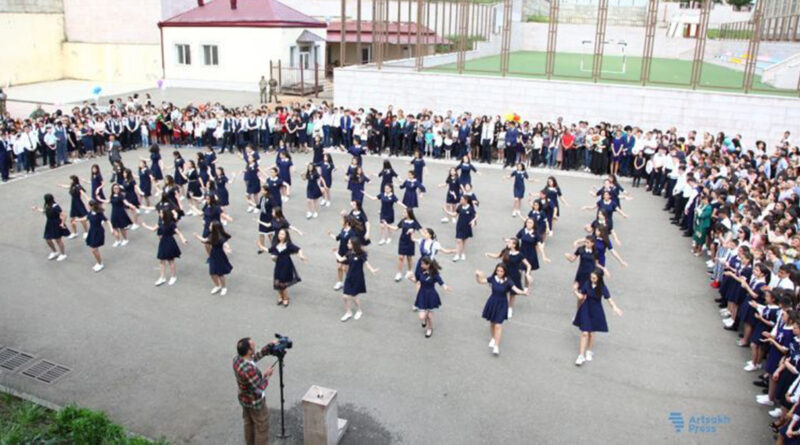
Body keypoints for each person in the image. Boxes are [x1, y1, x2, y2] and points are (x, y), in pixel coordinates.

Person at [572, 268, 623, 366]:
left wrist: (615, 307)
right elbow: (581, 297)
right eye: (591, 277)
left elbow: (609, 299)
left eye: (594, 278)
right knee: (585, 333)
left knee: (591, 333)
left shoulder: (602, 287)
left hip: (596, 311)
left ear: (599, 278)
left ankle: (589, 351)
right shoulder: (587, 283)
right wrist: (575, 291)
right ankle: (581, 356)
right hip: (586, 309)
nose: (592, 279)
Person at [476, 264, 528, 356]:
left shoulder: (508, 281)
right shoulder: (493, 278)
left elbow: (516, 289)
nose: (499, 273)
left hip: (502, 304)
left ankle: (496, 346)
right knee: (492, 322)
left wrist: (524, 292)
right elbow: (481, 281)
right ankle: (493, 338)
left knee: (498, 325)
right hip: (492, 302)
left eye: (501, 271)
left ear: (504, 272)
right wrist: (477, 276)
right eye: (498, 271)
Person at [233, 337, 275, 445]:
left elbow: (253, 358)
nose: (255, 346)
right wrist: (267, 375)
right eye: (253, 346)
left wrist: (267, 348)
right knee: (262, 427)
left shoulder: (237, 359)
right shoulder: (248, 370)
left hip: (244, 399)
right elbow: (259, 388)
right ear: (248, 351)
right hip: (255, 402)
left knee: (249, 423)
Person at [260, 227, 307, 307]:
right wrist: (261, 246)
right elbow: (269, 250)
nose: (280, 235)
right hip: (278, 265)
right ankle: (281, 296)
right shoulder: (276, 244)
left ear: (286, 236)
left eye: (282, 234)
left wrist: (301, 256)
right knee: (277, 282)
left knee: (282, 284)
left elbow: (298, 249)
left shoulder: (288, 245)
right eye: (279, 234)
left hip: (286, 266)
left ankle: (285, 298)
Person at [141, 210, 188, 286]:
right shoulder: (160, 222)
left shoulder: (171, 223)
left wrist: (183, 239)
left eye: (161, 213)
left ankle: (173, 277)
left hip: (170, 241)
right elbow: (153, 229)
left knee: (170, 260)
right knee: (161, 260)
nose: (160, 214)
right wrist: (145, 226)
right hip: (163, 242)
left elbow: (178, 233)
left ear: (165, 214)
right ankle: (162, 277)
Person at [336, 238, 379, 321]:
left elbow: (366, 264)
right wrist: (335, 253)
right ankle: (348, 312)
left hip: (357, 278)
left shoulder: (362, 254)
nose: (347, 244)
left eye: (349, 243)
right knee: (345, 296)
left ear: (354, 245)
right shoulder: (349, 253)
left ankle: (359, 310)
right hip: (349, 277)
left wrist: (372, 270)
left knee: (354, 296)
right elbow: (341, 259)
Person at [408, 257, 451, 338]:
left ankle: (429, 329)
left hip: (431, 295)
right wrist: (410, 278)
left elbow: (441, 282)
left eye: (423, 264)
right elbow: (417, 281)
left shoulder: (434, 274)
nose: (421, 265)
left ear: (428, 265)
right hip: (422, 294)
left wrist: (445, 287)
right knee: (422, 316)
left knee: (430, 316)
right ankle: (425, 319)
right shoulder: (421, 271)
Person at [195, 221, 233, 295]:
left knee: (220, 273)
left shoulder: (220, 237)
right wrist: (197, 237)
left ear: (214, 228)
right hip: (213, 255)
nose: (209, 227)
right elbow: (205, 240)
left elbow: (225, 244)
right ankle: (217, 286)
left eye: (210, 226)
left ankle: (224, 287)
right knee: (212, 273)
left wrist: (228, 249)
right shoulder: (211, 235)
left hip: (220, 256)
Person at [32, 193, 70, 261]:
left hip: (56, 223)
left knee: (58, 240)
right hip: (49, 224)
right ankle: (54, 252)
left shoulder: (56, 207)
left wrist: (62, 223)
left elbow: (64, 215)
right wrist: (37, 209)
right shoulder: (47, 205)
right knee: (48, 239)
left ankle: (63, 254)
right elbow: (45, 211)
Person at [442, 195, 477, 262]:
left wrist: (473, 221)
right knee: (459, 241)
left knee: (464, 241)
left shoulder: (470, 208)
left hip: (467, 226)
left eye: (461, 199)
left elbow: (476, 215)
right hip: (459, 226)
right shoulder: (460, 207)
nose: (460, 200)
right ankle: (457, 255)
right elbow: (455, 214)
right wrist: (446, 211)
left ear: (466, 201)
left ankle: (463, 253)